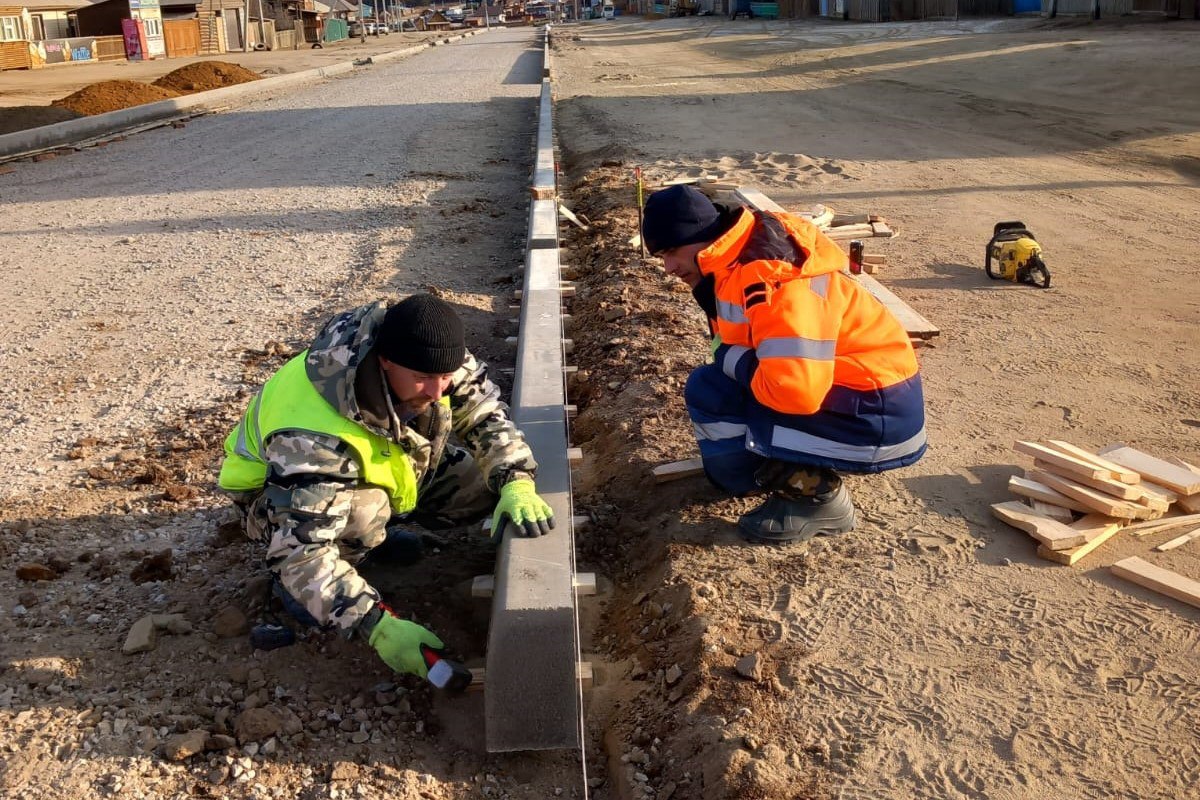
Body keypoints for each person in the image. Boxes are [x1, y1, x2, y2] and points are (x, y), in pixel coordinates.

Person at [217, 294, 554, 680]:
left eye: (445, 377)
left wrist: (515, 480)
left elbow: (484, 415)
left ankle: (374, 536)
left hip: (376, 463)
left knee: (480, 483)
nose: (437, 392)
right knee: (363, 512)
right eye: (425, 380)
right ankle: (305, 589)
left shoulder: (429, 356)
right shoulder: (313, 436)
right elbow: (303, 553)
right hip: (273, 500)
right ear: (386, 361)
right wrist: (375, 626)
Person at [640, 185, 927, 544]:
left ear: (700, 236)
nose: (668, 268)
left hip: (875, 415)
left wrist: (730, 359)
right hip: (857, 399)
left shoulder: (772, 279)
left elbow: (795, 394)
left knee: (716, 388)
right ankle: (762, 472)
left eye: (671, 252)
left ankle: (817, 497)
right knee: (714, 387)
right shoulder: (731, 265)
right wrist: (732, 362)